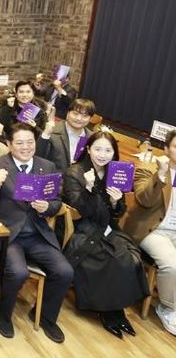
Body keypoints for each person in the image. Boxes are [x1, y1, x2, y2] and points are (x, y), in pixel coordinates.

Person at [0, 123, 73, 343]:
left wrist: (47, 207)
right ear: (9, 144)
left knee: (65, 271)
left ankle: (46, 317)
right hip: (9, 235)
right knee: (18, 272)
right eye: (19, 142)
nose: (26, 147)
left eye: (30, 142)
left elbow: (57, 202)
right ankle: (3, 315)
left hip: (37, 234)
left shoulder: (47, 166)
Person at [61, 131, 148, 338]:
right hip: (83, 228)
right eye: (98, 149)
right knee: (107, 257)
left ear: (114, 153)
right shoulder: (74, 172)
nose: (102, 155)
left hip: (107, 227)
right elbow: (80, 210)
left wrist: (116, 202)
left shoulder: (115, 172)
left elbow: (118, 212)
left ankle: (116, 309)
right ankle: (107, 311)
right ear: (88, 149)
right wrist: (89, 189)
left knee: (130, 256)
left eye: (108, 150)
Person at [124, 129, 176, 336]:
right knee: (172, 265)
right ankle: (168, 308)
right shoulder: (149, 167)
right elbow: (144, 199)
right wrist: (161, 175)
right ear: (166, 149)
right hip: (154, 230)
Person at [36, 98, 95, 172]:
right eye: (75, 114)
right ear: (68, 113)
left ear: (90, 118)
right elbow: (37, 158)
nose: (79, 118)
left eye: (85, 116)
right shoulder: (52, 131)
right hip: (53, 177)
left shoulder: (92, 137)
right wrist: (46, 134)